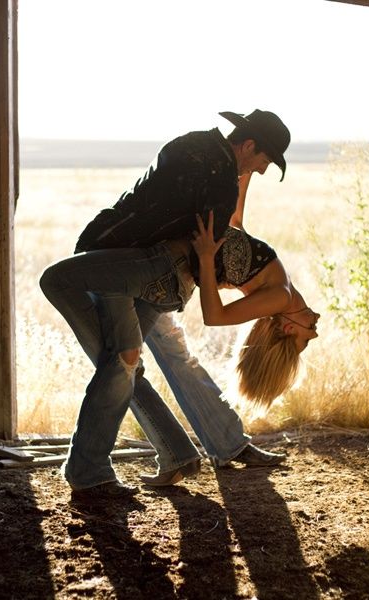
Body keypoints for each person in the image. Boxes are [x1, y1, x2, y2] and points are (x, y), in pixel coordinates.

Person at [40, 109, 293, 501]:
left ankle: (103, 467)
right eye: (264, 161)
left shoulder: (195, 146)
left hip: (124, 258)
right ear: (248, 145)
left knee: (125, 361)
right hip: (143, 269)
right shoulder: (218, 178)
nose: (261, 171)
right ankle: (160, 456)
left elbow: (180, 216)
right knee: (123, 358)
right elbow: (203, 246)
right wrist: (209, 262)